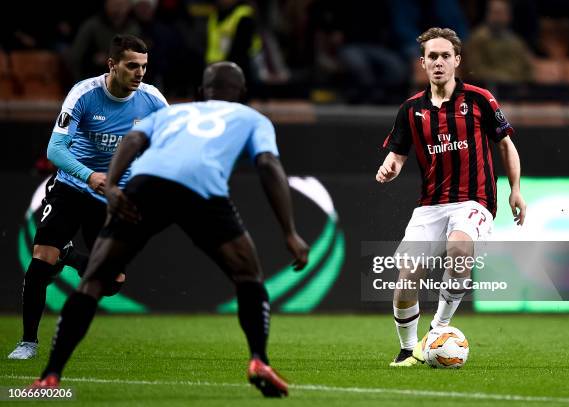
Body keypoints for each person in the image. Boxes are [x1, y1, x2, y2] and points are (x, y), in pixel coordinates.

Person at [31, 61, 310, 398]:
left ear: (200, 93)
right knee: (248, 276)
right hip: (203, 192)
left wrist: (115, 188)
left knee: (93, 280)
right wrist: (289, 232)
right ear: (243, 94)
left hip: (146, 187)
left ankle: (50, 376)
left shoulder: (171, 113)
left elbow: (132, 141)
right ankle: (259, 360)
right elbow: (268, 164)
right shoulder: (253, 118)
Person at [7, 34, 168, 360]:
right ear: (112, 65)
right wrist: (89, 175)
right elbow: (55, 150)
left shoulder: (152, 100)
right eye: (132, 66)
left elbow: (173, 141)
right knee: (41, 260)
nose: (140, 73)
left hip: (112, 197)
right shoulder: (84, 94)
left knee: (112, 283)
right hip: (72, 185)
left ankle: (70, 257)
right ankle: (28, 342)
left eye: (144, 67)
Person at [376, 27, 526, 367]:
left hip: (475, 199)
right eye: (432, 56)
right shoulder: (411, 109)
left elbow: (505, 144)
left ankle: (438, 328)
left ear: (457, 60)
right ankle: (407, 349)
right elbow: (397, 154)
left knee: (460, 248)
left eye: (445, 56)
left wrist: (515, 189)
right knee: (406, 276)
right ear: (423, 63)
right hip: (430, 205)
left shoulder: (479, 99)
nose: (439, 62)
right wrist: (390, 166)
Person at [464, 0, 533, 85]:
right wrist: (506, 78)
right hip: (489, 89)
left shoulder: (516, 41)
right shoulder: (477, 39)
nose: (498, 18)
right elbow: (476, 71)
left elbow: (527, 69)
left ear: (509, 16)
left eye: (502, 13)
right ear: (488, 14)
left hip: (516, 90)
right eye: (495, 13)